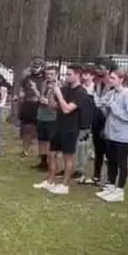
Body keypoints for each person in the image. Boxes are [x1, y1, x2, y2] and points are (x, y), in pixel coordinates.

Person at [34, 66, 89, 195]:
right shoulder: (64, 89)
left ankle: (64, 185)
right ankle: (50, 181)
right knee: (51, 154)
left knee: (67, 157)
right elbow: (54, 107)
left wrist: (58, 93)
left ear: (77, 75)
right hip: (58, 125)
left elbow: (67, 109)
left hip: (70, 128)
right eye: (66, 74)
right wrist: (50, 96)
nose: (66, 77)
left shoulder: (81, 93)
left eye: (69, 74)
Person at [97, 69, 128, 203]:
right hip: (111, 133)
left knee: (121, 162)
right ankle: (111, 185)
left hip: (123, 135)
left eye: (112, 78)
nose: (109, 80)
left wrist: (113, 107)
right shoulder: (112, 93)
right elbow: (101, 103)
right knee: (111, 160)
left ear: (121, 79)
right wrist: (104, 105)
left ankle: (120, 190)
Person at [75, 64, 102, 182]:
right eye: (83, 75)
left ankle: (81, 169)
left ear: (92, 76)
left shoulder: (95, 89)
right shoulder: (79, 88)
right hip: (79, 119)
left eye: (86, 75)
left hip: (91, 120)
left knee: (84, 145)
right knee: (79, 145)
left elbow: (98, 105)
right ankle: (78, 168)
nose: (84, 77)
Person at [17, 58, 46, 158]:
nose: (34, 69)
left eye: (37, 67)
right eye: (33, 67)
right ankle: (25, 151)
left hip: (39, 106)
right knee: (27, 129)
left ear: (42, 67)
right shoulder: (27, 77)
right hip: (28, 105)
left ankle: (42, 153)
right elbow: (22, 88)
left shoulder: (44, 79)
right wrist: (21, 94)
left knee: (41, 131)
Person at [34, 65, 61, 171]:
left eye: (51, 74)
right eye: (47, 74)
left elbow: (61, 102)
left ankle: (52, 163)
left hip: (53, 117)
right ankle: (43, 161)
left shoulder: (60, 86)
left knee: (52, 141)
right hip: (41, 114)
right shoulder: (44, 84)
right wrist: (40, 99)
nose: (49, 76)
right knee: (41, 139)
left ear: (57, 75)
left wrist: (49, 102)